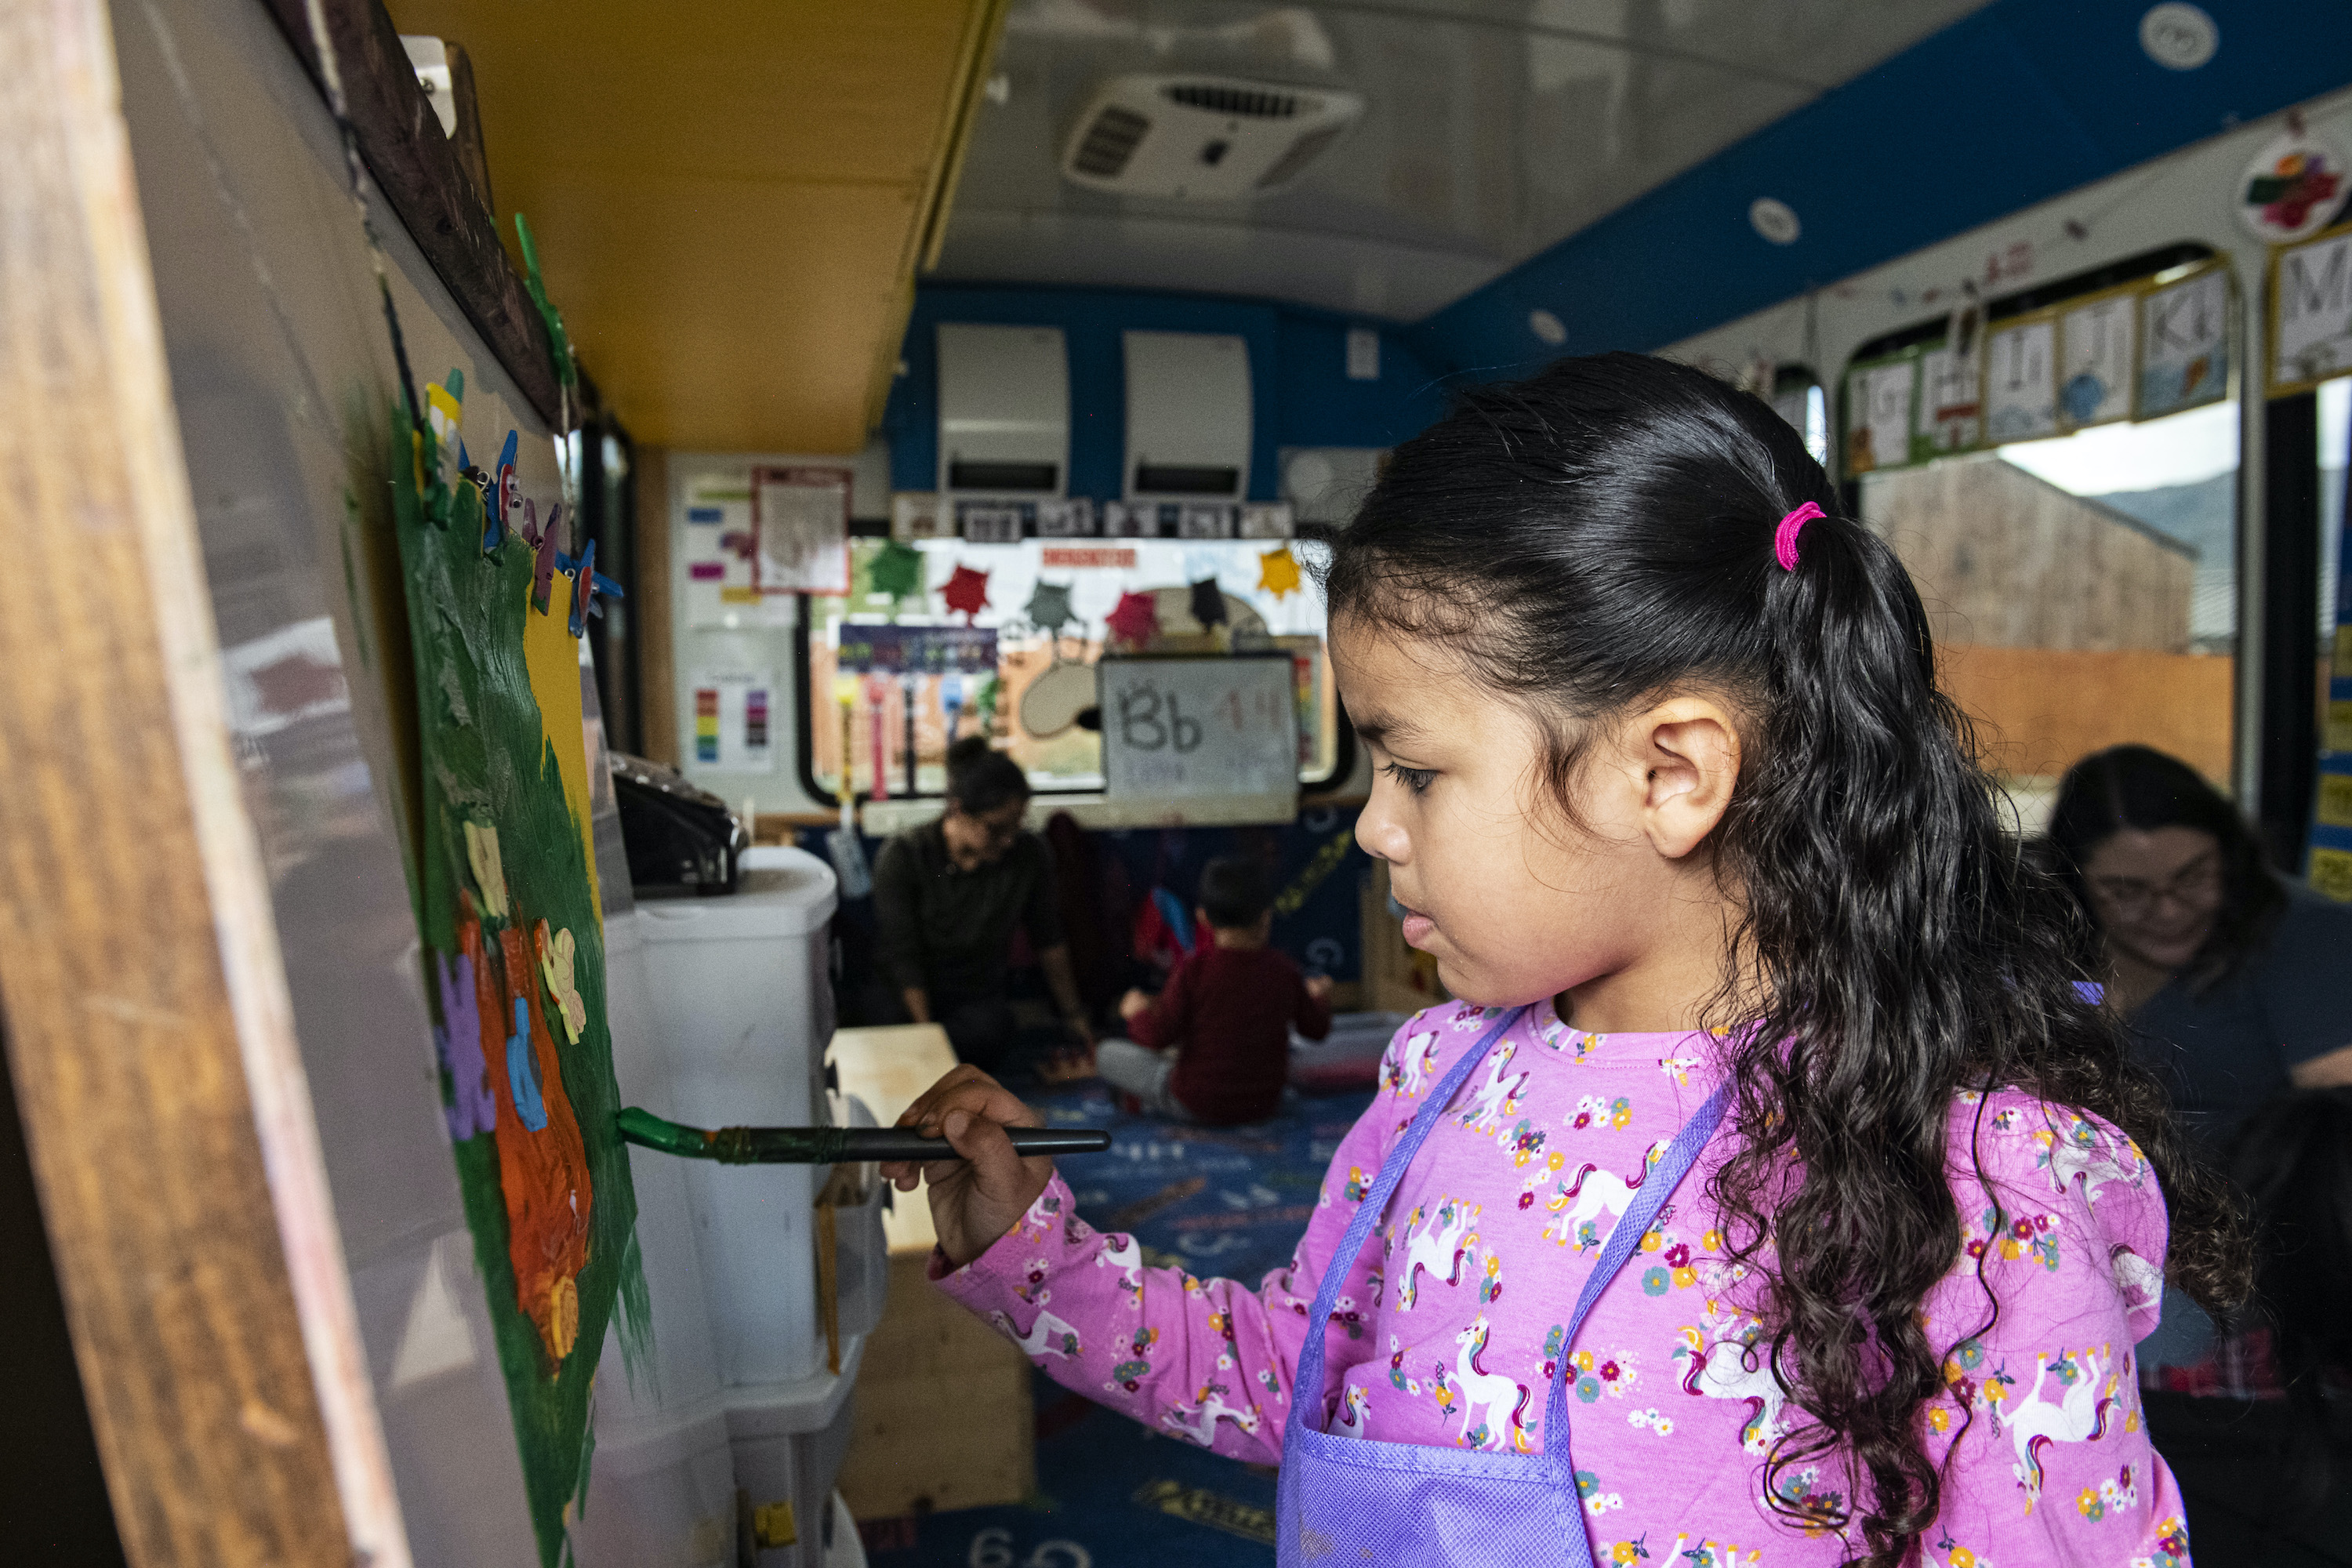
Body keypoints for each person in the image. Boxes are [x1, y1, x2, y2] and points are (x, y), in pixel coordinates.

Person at [880, 354, 2245, 1566]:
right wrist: (1032, 1255)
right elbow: (1298, 1373)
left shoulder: (1983, 1190)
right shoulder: (1441, 1076)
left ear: (1672, 772)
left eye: (1415, 767)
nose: (1372, 825)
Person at [2043, 744, 2352, 1149]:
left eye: (2193, 876)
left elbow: (2338, 1151)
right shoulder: (2050, 944)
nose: (2170, 911)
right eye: (2128, 891)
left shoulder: (2306, 935)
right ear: (2076, 885)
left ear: (2229, 854)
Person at [871, 736, 1094, 1076]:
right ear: (958, 810)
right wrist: (926, 1038)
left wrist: (1073, 1014)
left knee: (992, 1030)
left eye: (1016, 827)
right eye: (996, 829)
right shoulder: (903, 857)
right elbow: (903, 957)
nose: (1008, 840)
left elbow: (1048, 939)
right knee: (885, 1028)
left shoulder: (1028, 856)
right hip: (909, 994)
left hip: (974, 997)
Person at [1098, 854, 1335, 1125]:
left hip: (1195, 1105)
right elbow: (1316, 1030)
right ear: (1266, 917)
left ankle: (1139, 1100)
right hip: (1263, 1105)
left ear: (1203, 919)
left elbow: (1157, 1037)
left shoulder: (1193, 971)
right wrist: (1319, 997)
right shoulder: (1285, 970)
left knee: (1107, 1053)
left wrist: (1136, 1013)